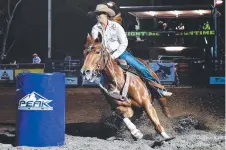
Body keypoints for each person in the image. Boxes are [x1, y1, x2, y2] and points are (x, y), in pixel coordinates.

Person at [89, 4, 172, 97]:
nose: (98, 16)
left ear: (106, 15)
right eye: (96, 14)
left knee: (141, 67)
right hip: (104, 56)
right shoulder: (95, 29)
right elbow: (95, 44)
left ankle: (159, 89)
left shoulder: (116, 26)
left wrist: (114, 55)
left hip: (121, 53)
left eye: (99, 14)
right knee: (100, 78)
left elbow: (124, 43)